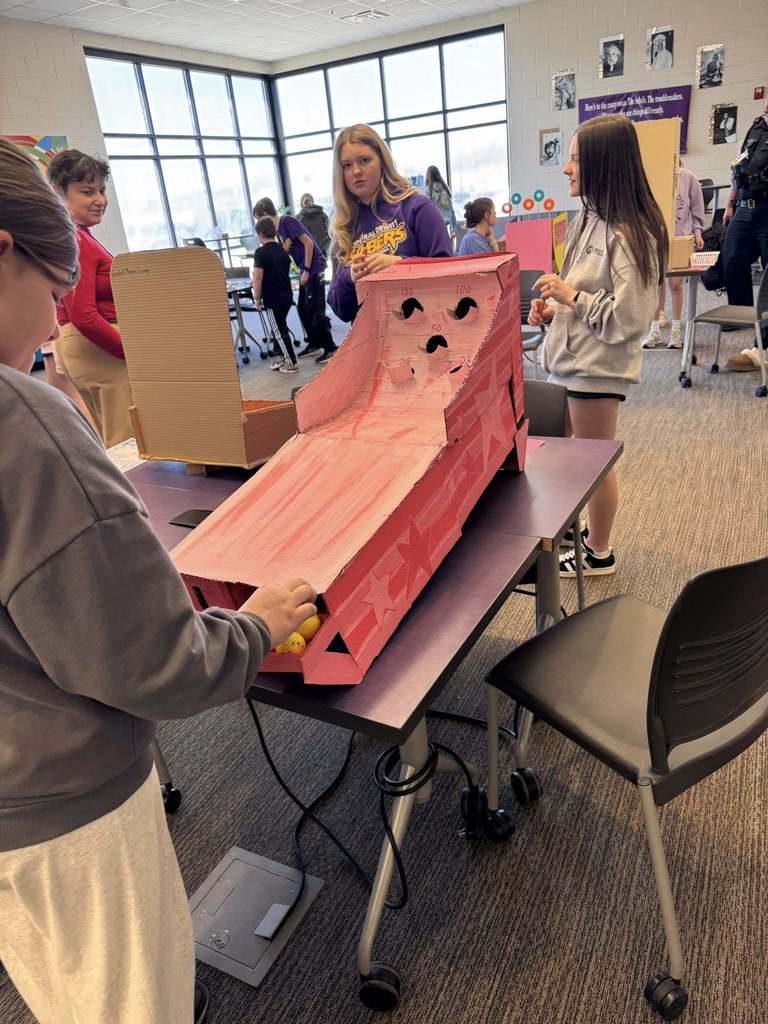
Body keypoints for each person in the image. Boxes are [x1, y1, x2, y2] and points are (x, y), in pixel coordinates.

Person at [0, 137, 317, 1024]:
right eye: (49, 293)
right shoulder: (24, 420)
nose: (49, 328)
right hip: (65, 809)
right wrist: (255, 626)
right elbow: (155, 660)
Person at [528, 114, 667, 577]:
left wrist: (571, 298)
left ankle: (600, 551)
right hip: (568, 359)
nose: (566, 169)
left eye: (574, 160)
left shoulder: (631, 233)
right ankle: (574, 533)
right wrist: (555, 311)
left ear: (603, 164)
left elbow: (631, 318)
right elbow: (582, 291)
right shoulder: (587, 217)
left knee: (594, 460)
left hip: (595, 367)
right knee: (564, 455)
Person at [47, 150, 133, 448]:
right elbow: (82, 314)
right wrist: (131, 351)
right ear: (59, 194)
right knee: (127, 439)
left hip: (90, 346)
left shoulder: (80, 235)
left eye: (101, 190)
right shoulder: (75, 238)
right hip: (98, 346)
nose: (100, 199)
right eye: (87, 192)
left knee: (116, 436)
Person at [328, 124, 452, 324]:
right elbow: (341, 310)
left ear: (382, 161)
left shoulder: (417, 208)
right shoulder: (344, 230)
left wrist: (399, 265)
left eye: (364, 160)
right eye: (346, 166)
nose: (356, 171)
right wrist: (350, 277)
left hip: (425, 337)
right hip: (372, 344)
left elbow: (449, 277)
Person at [252, 196, 337, 365]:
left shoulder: (287, 221)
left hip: (314, 268)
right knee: (303, 308)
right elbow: (286, 250)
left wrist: (306, 270)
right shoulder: (278, 230)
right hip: (304, 269)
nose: (259, 223)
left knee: (314, 309)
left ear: (264, 214)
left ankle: (330, 347)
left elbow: (308, 244)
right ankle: (314, 343)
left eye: (258, 218)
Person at [721, 94, 768, 371]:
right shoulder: (756, 128)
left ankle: (761, 346)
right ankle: (745, 321)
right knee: (731, 261)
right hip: (744, 208)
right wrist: (729, 204)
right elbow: (738, 168)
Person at [644, 161, 705, 349]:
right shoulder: (651, 177)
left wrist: (697, 233)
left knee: (676, 284)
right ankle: (654, 330)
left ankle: (676, 331)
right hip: (657, 236)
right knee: (657, 283)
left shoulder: (688, 177)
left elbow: (696, 209)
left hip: (680, 238)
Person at [252, 216, 299, 374]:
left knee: (279, 330)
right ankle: (281, 356)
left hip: (272, 299)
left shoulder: (260, 253)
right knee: (279, 328)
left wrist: (257, 298)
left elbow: (257, 277)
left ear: (260, 234)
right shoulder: (282, 250)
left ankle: (291, 361)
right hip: (286, 296)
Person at [425, 165, 457, 239]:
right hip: (444, 227)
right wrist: (453, 229)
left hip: (432, 227)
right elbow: (451, 211)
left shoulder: (427, 191)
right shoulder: (445, 190)